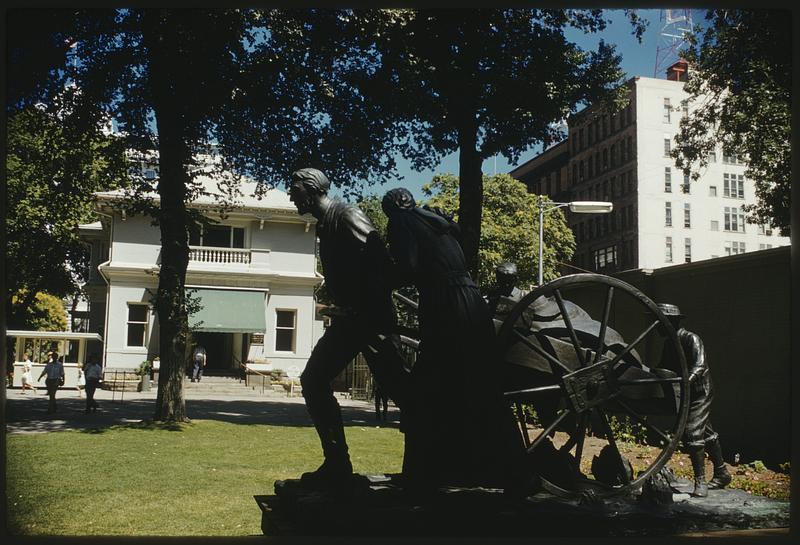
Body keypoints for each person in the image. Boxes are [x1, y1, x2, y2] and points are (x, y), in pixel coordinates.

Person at [381, 188, 536, 494]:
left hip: (445, 305)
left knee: (427, 386)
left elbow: (408, 268)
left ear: (391, 208)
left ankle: (423, 473)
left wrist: (379, 278)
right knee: (477, 384)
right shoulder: (435, 223)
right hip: (470, 301)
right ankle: (498, 470)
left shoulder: (401, 222)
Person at [288, 167, 407, 490]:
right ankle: (337, 464)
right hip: (352, 321)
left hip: (371, 320)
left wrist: (363, 304)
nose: (290, 194)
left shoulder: (347, 216)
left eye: (293, 187)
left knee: (405, 394)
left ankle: (428, 463)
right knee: (313, 380)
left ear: (311, 189)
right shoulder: (325, 226)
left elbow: (381, 264)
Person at [658, 303, 731, 497]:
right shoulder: (669, 343)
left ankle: (701, 481)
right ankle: (722, 472)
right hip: (686, 392)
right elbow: (663, 367)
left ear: (670, 322)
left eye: (659, 321)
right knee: (707, 431)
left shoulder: (691, 339)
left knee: (692, 433)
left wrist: (685, 382)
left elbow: (699, 367)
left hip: (699, 391)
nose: (656, 325)